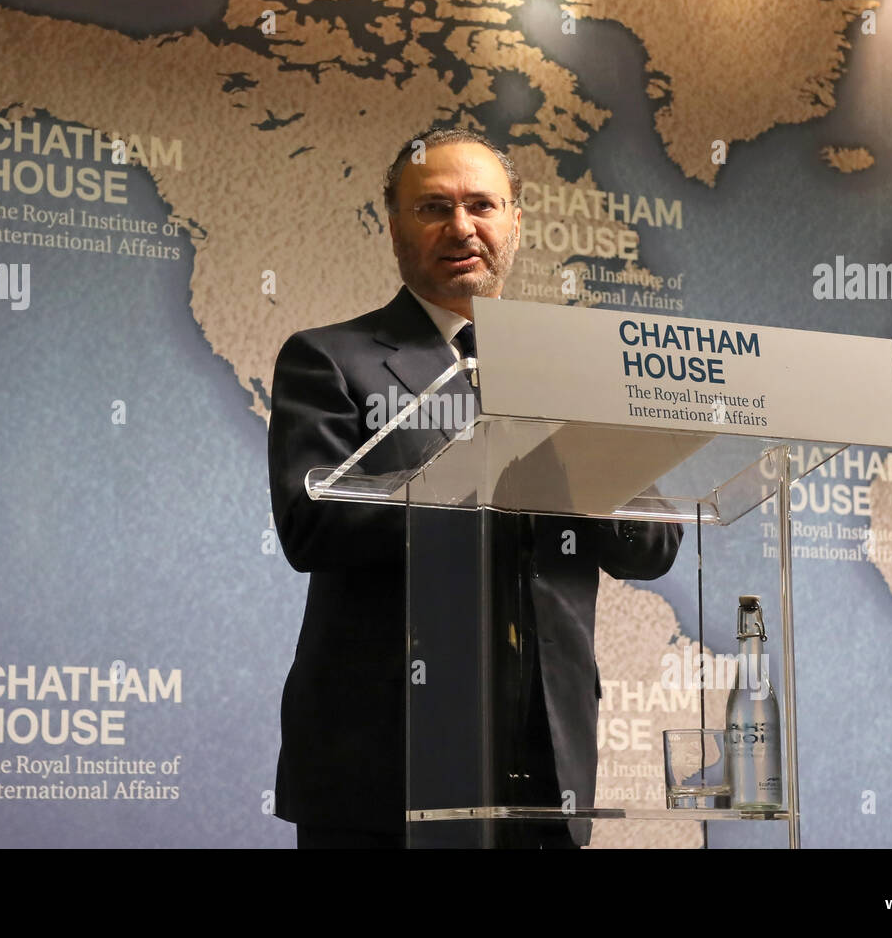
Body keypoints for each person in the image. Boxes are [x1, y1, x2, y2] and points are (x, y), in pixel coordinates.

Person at [267, 128, 683, 848]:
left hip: (543, 760)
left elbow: (654, 541)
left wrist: (565, 468)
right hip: (381, 763)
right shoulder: (329, 359)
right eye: (434, 207)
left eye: (482, 205)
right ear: (393, 225)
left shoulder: (571, 375)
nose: (462, 227)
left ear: (515, 222)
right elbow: (313, 524)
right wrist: (485, 471)